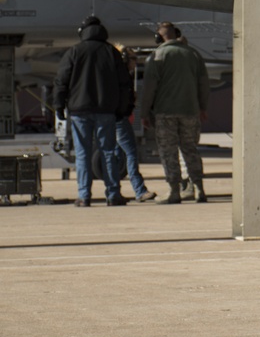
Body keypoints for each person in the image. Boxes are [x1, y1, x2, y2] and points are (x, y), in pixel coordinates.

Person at [52, 15, 132, 207]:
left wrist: (58, 106)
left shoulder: (74, 52)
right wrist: (123, 109)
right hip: (106, 110)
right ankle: (113, 195)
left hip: (80, 110)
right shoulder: (111, 52)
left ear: (82, 32)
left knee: (82, 154)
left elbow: (61, 81)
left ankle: (84, 195)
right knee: (108, 152)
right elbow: (124, 84)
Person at [140, 22, 211, 204]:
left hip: (166, 112)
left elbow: (149, 88)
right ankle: (199, 189)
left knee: (168, 151)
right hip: (191, 110)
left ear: (159, 37)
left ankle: (174, 191)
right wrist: (202, 107)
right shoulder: (193, 54)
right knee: (190, 149)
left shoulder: (158, 55)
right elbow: (203, 83)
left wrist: (145, 112)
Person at [113, 49, 156, 202]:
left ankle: (114, 192)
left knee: (118, 156)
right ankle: (139, 190)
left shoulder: (114, 74)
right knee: (131, 153)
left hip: (113, 119)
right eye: (133, 59)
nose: (135, 62)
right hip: (119, 119)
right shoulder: (123, 76)